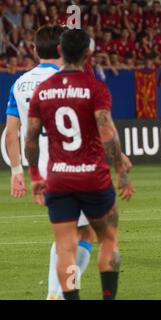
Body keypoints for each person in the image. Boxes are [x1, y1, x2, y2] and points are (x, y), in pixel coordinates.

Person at [25, 28, 134, 300]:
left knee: (65, 247)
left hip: (59, 180)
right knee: (108, 242)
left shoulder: (43, 90)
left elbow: (30, 138)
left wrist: (35, 175)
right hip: (94, 179)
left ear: (60, 51)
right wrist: (121, 172)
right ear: (88, 53)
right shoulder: (94, 88)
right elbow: (107, 132)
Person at [5, 25, 97, 300]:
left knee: (65, 232)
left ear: (34, 50)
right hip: (75, 168)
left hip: (43, 173)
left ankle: (55, 293)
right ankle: (59, 292)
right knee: (84, 234)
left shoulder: (19, 84)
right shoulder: (73, 79)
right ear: (61, 49)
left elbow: (12, 131)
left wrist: (15, 171)